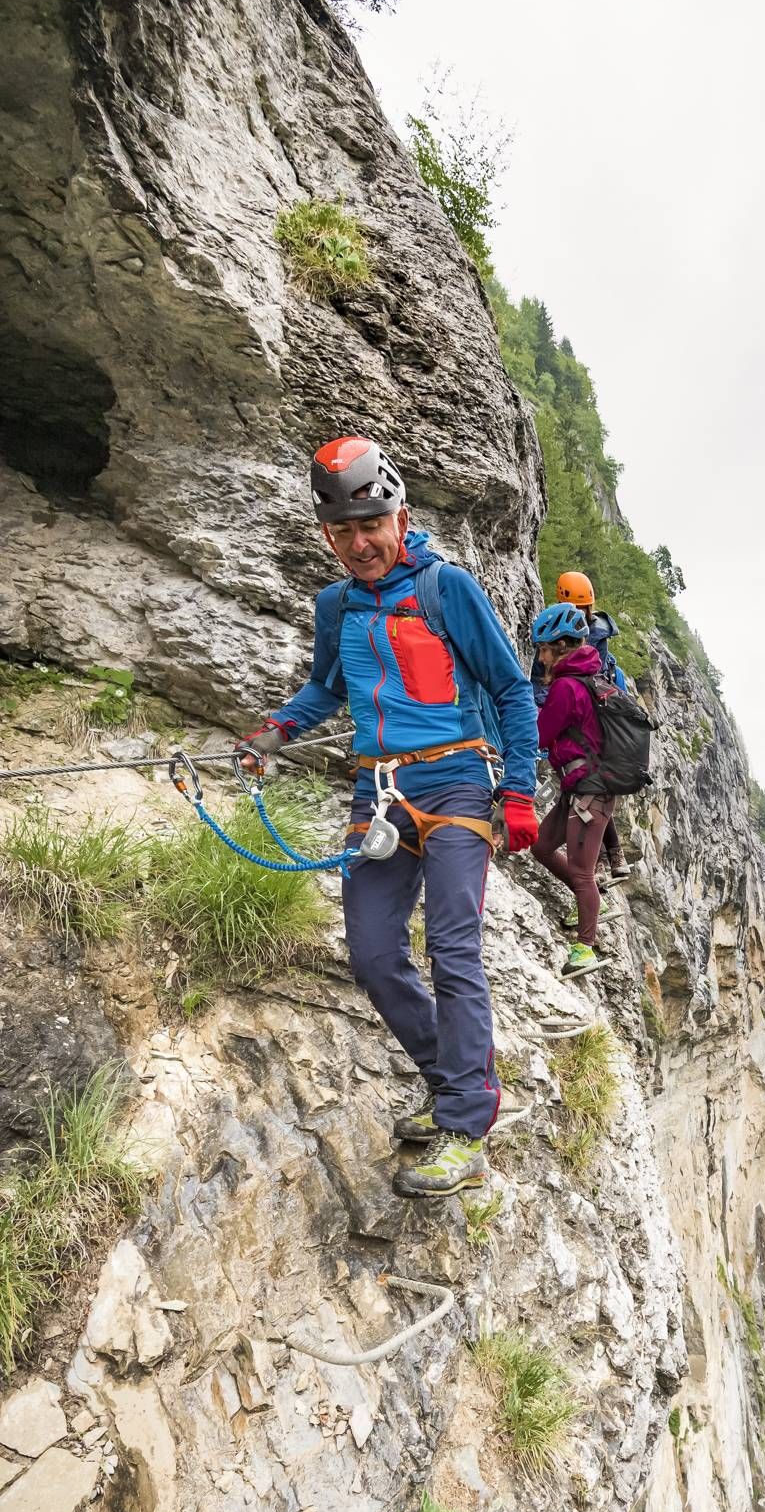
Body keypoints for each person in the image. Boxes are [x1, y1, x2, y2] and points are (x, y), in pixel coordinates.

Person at [239, 436, 539, 1199]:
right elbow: (326, 688)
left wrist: (521, 791)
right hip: (377, 791)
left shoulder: (447, 589)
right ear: (326, 535)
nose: (360, 544)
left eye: (371, 525)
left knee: (453, 946)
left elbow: (509, 690)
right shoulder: (335, 603)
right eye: (343, 532)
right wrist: (275, 732)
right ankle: (450, 1084)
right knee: (373, 953)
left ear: (399, 515)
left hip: (457, 783)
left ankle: (467, 1125)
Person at [529, 603, 616, 976]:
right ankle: (588, 899)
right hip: (583, 786)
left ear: (562, 646)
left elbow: (540, 733)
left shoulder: (567, 687)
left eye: (545, 648)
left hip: (589, 791)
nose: (540, 655)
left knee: (581, 872)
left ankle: (585, 950)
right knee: (542, 845)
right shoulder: (593, 678)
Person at [552, 572, 631, 883]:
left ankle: (595, 867)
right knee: (596, 791)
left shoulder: (568, 637)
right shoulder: (603, 642)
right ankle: (615, 855)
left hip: (583, 730)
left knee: (584, 793)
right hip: (605, 729)